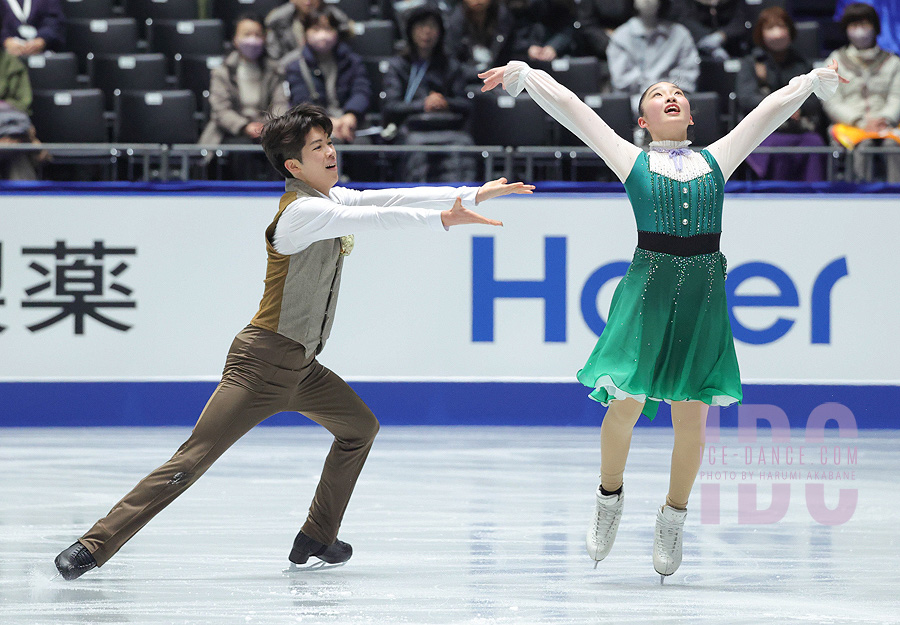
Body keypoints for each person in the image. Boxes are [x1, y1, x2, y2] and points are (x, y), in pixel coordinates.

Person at [53, 102, 535, 581]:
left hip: (303, 368)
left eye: (329, 143)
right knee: (193, 459)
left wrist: (472, 193)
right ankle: (93, 545)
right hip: (259, 364)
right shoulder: (301, 212)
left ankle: (318, 535)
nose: (330, 153)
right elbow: (378, 220)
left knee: (359, 428)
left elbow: (383, 200)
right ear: (293, 165)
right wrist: (446, 220)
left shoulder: (330, 201)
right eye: (318, 147)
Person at [479, 56, 845, 578]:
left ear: (691, 116)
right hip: (647, 291)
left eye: (677, 92)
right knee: (625, 403)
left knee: (692, 416)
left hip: (702, 296)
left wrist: (808, 81)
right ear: (643, 120)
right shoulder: (631, 160)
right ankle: (609, 498)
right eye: (656, 93)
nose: (669, 95)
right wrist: (527, 76)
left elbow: (767, 112)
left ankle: (673, 515)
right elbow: (573, 109)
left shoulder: (718, 158)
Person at [383, 4, 475, 182]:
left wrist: (445, 102)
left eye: (432, 26)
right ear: (410, 31)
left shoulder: (451, 65)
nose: (427, 32)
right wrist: (423, 104)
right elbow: (390, 106)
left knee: (463, 145)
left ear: (440, 32)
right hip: (411, 130)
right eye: (421, 26)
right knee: (414, 147)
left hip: (449, 129)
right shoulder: (398, 66)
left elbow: (465, 103)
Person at [736, 6, 827, 182]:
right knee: (772, 147)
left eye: (782, 27)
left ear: (790, 31)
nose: (777, 34)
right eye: (770, 28)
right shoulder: (751, 64)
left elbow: (815, 99)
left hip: (798, 129)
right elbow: (746, 97)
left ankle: (814, 195)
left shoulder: (802, 64)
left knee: (815, 143)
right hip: (764, 130)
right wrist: (782, 107)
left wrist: (798, 108)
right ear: (760, 34)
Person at [199, 14, 290, 180]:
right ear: (235, 39)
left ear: (264, 38)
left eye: (257, 35)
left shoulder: (275, 70)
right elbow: (220, 110)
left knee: (280, 149)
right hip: (230, 132)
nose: (252, 40)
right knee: (242, 149)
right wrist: (244, 127)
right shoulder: (222, 72)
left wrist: (267, 126)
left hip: (267, 131)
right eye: (246, 35)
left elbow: (280, 104)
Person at [824, 2, 900, 182]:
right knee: (863, 146)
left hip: (886, 125)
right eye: (854, 25)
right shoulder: (835, 60)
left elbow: (897, 96)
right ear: (846, 29)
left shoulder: (893, 61)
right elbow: (831, 100)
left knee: (892, 146)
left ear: (875, 27)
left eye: (865, 24)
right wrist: (858, 120)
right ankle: (859, 193)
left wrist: (885, 118)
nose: (859, 30)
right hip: (851, 125)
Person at [284, 7, 370, 144]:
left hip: (350, 122)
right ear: (306, 33)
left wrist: (351, 115)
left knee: (362, 144)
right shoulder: (296, 66)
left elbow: (361, 90)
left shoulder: (353, 61)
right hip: (313, 124)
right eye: (316, 29)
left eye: (328, 29)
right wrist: (326, 121)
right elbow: (301, 99)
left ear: (337, 32)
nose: (322, 35)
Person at [606, 0, 699, 119]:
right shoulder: (620, 37)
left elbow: (687, 76)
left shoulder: (680, 34)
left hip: (673, 103)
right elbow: (621, 80)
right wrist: (652, 95)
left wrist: (664, 94)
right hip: (633, 105)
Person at [264, 0, 350, 62]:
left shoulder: (337, 21)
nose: (308, 2)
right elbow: (275, 59)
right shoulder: (277, 23)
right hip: (289, 74)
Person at [0, 46, 38, 179]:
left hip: (10, 135)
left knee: (16, 153)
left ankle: (28, 197)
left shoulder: (11, 64)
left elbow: (23, 105)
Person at [669, 0, 751, 60]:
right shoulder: (683, 3)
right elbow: (683, 19)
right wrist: (705, 37)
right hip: (695, 51)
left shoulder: (735, 3)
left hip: (730, 51)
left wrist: (721, 35)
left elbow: (741, 21)